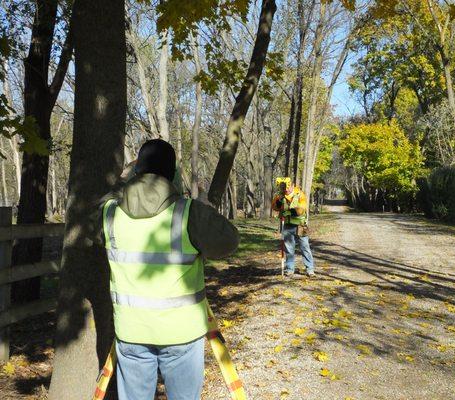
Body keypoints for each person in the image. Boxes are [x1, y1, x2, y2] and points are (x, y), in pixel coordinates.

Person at [101, 139, 239, 400]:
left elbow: (82, 229)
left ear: (136, 171)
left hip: (131, 332)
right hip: (182, 333)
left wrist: (122, 182)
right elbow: (229, 241)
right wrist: (206, 206)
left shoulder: (109, 214)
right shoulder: (189, 213)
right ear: (173, 174)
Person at [271, 178, 315, 277]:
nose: (286, 190)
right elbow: (274, 207)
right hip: (287, 226)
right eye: (284, 188)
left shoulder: (300, 195)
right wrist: (279, 201)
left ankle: (310, 269)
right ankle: (290, 269)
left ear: (292, 185)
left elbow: (301, 210)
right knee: (289, 249)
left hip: (300, 226)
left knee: (305, 247)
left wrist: (290, 212)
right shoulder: (280, 195)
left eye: (288, 187)